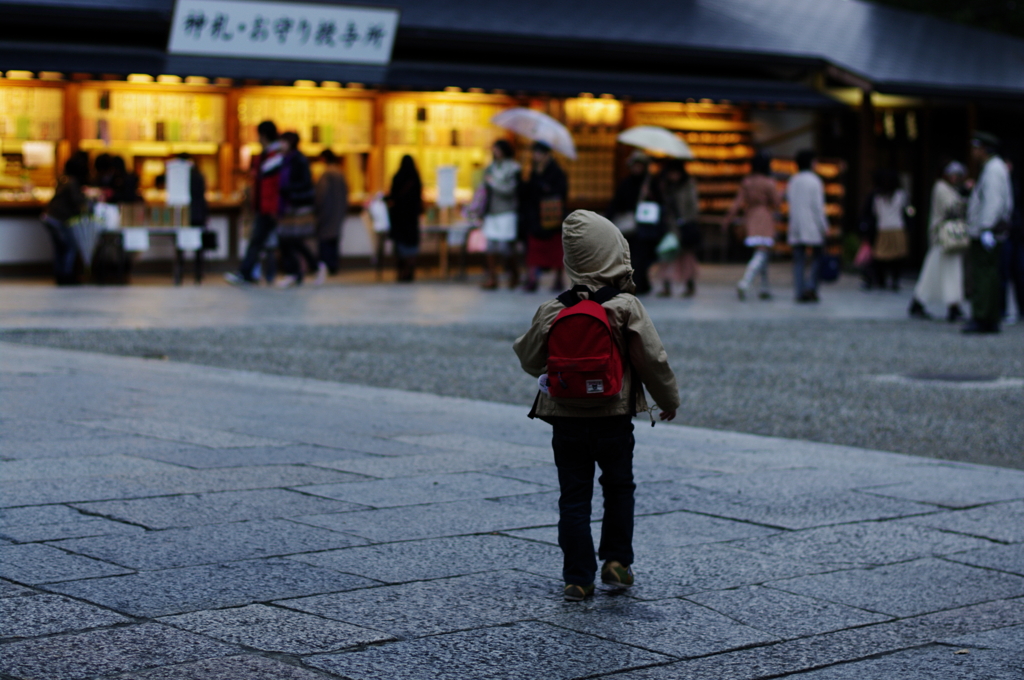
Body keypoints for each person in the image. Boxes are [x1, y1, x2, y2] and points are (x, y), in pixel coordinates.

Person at [513, 210, 680, 602]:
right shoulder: (625, 307)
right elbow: (652, 359)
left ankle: (577, 577)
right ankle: (617, 562)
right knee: (619, 487)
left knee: (573, 496)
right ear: (615, 254)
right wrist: (667, 399)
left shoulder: (554, 309)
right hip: (614, 417)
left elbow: (528, 358)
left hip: (565, 418)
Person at [963, 131, 1014, 334]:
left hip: (987, 230)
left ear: (983, 149)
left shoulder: (993, 169)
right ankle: (990, 316)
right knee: (990, 274)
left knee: (983, 275)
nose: (974, 152)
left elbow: (993, 201)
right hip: (992, 230)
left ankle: (982, 316)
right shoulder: (995, 167)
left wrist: (986, 227)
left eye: (976, 148)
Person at [226, 120, 285, 285]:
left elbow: (274, 185)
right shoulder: (266, 154)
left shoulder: (275, 155)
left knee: (261, 241)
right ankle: (260, 273)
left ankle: (249, 273)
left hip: (270, 207)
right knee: (265, 241)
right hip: (263, 206)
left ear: (263, 135)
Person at [909, 162, 967, 321]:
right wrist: (965, 198)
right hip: (944, 237)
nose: (955, 178)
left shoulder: (948, 188)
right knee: (939, 271)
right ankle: (949, 304)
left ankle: (948, 304)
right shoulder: (941, 187)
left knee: (942, 271)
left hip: (948, 238)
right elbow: (952, 208)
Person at [724, 152, 780, 300]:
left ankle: (764, 287)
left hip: (750, 216)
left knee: (762, 253)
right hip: (764, 217)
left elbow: (737, 203)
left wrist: (728, 219)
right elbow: (776, 202)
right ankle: (746, 281)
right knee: (762, 252)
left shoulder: (747, 182)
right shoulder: (769, 182)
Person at [607, 151, 661, 295]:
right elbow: (617, 202)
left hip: (645, 226)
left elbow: (660, 203)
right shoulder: (626, 183)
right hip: (629, 226)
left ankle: (641, 283)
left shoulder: (651, 183)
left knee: (642, 257)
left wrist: (649, 195)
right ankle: (635, 283)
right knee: (629, 258)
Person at [275, 131, 322, 288]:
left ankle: (308, 268)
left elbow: (306, 183)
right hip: (288, 204)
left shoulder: (299, 160)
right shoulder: (283, 160)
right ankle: (298, 271)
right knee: (287, 239)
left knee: (292, 239)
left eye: (283, 142)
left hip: (297, 205)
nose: (281, 145)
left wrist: (287, 189)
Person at [521, 141, 568, 292]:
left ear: (547, 155)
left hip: (551, 216)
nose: (536, 156)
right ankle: (533, 278)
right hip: (535, 215)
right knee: (534, 249)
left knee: (555, 250)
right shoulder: (532, 171)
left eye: (539, 153)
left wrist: (544, 187)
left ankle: (558, 279)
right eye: (535, 153)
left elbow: (561, 192)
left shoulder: (557, 172)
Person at [786, 149, 828, 302]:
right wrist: (824, 226)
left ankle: (799, 291)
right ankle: (811, 287)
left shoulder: (793, 180)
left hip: (796, 225)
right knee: (817, 257)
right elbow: (818, 207)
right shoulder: (815, 180)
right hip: (812, 226)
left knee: (799, 260)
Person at [41, 153, 89, 285]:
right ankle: (66, 275)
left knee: (60, 248)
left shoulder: (63, 180)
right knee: (70, 246)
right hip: (58, 219)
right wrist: (86, 198)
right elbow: (76, 201)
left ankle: (60, 274)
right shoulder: (72, 182)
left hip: (49, 216)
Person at [655, 159, 700, 297]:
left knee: (686, 258)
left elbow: (693, 206)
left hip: (684, 226)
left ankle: (689, 285)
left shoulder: (688, 185)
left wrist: (687, 220)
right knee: (667, 256)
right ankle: (666, 286)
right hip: (670, 226)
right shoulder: (665, 187)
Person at [481, 139, 521, 289]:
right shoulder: (490, 167)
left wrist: (493, 184)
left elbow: (511, 190)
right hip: (491, 211)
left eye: (497, 149)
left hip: (507, 211)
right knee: (490, 247)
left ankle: (514, 274)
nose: (495, 152)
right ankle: (492, 277)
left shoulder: (513, 168)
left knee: (506, 247)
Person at [865, 170, 909, 291]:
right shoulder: (900, 195)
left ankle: (880, 280)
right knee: (897, 258)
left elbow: (875, 213)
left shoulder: (878, 196)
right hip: (897, 228)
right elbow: (905, 210)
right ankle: (895, 281)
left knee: (880, 257)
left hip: (883, 228)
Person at [387, 154, 423, 283]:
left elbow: (392, 197)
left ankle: (401, 272)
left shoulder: (397, 177)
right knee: (411, 246)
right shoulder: (416, 178)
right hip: (412, 219)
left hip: (399, 218)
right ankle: (410, 271)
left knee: (401, 246)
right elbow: (419, 199)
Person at [315, 149, 348, 276]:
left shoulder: (327, 174)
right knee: (334, 239)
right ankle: (333, 265)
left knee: (325, 239)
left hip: (327, 212)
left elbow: (321, 195)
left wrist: (318, 209)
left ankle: (326, 265)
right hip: (338, 211)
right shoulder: (340, 172)